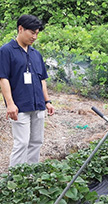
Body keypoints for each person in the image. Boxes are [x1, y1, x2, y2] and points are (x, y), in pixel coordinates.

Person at [0, 14, 55, 167]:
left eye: (37, 33)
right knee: (22, 143)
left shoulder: (36, 54)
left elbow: (41, 79)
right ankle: (15, 182)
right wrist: (10, 104)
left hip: (37, 104)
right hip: (20, 106)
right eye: (32, 32)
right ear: (20, 29)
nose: (35, 37)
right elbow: (3, 78)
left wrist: (47, 101)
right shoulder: (6, 51)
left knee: (36, 142)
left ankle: (31, 177)